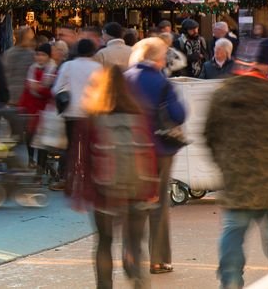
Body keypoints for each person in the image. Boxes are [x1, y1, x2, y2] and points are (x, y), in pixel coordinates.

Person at [205, 37, 268, 289]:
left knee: (233, 231)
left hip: (237, 179)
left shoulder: (224, 93)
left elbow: (210, 134)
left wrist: (225, 163)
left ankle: (231, 281)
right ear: (267, 66)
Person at [66, 65, 157, 289]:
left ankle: (105, 286)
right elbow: (150, 153)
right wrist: (152, 190)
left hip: (103, 193)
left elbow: (80, 160)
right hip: (139, 189)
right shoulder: (140, 114)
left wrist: (77, 191)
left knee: (104, 243)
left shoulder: (91, 118)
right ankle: (136, 274)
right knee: (135, 243)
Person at [124, 36, 188, 275]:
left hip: (129, 148)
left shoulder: (123, 79)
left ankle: (131, 259)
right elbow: (179, 114)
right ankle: (158, 260)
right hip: (160, 149)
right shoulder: (162, 83)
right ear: (159, 58)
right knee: (159, 204)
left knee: (132, 203)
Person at [51, 38, 103, 189]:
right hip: (91, 113)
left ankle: (67, 179)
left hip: (71, 112)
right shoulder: (98, 67)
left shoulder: (68, 66)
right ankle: (89, 179)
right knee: (89, 147)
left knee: (71, 147)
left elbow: (56, 89)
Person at [19, 43, 57, 166]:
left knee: (42, 140)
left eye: (43, 55)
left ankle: (41, 165)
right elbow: (27, 90)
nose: (40, 57)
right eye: (37, 54)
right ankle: (31, 160)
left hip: (45, 109)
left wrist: (39, 89)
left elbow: (53, 92)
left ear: (49, 56)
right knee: (30, 136)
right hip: (31, 108)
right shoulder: (32, 69)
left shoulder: (53, 70)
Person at [3, 26, 37, 105]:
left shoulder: (8, 53)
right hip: (26, 96)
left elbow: (5, 74)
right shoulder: (32, 54)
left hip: (12, 95)